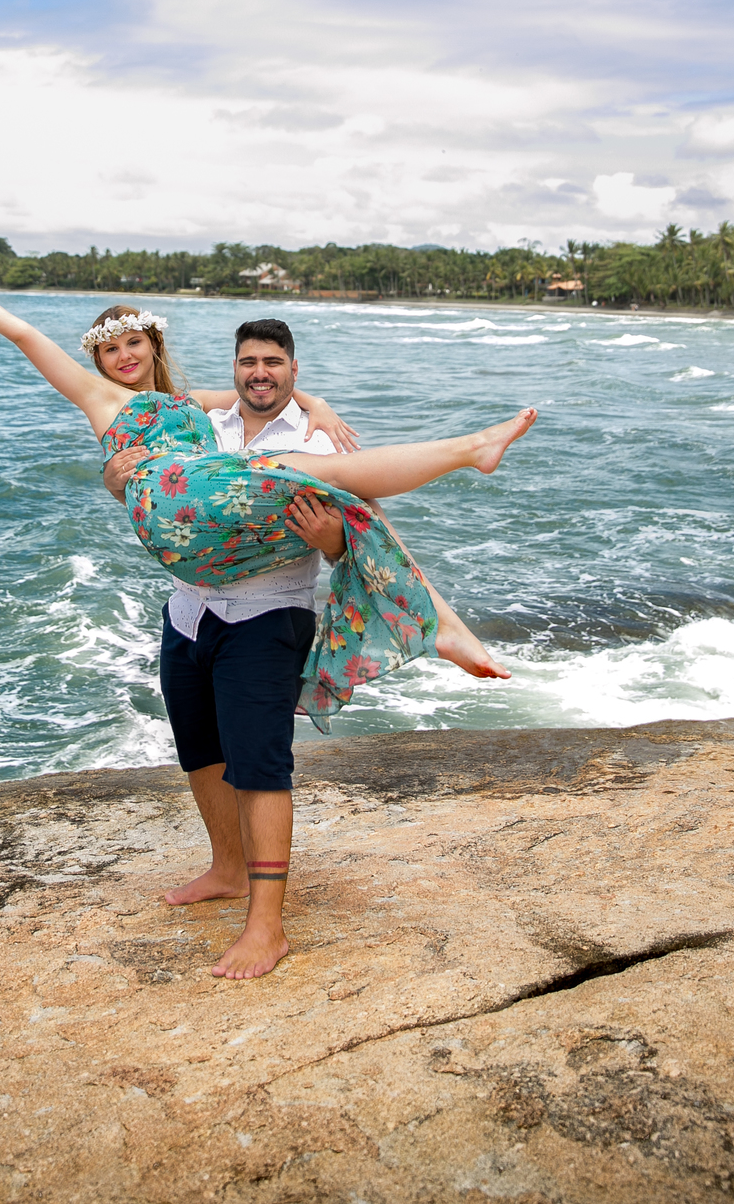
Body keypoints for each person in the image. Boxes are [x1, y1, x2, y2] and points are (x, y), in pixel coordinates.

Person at [0, 277, 536, 974]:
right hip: (188, 566)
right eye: (110, 350)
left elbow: (282, 408)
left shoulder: (196, 404)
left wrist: (316, 404)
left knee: (332, 492)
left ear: (154, 343)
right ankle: (229, 867)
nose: (123, 357)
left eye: (134, 342)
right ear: (97, 362)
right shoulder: (104, 400)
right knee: (202, 753)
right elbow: (23, 336)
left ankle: (469, 458)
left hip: (252, 584)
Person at [100, 315, 511, 981]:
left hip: (267, 616)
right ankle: (227, 870)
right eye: (248, 362)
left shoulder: (317, 437)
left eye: (273, 363)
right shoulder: (209, 420)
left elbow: (361, 532)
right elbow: (151, 475)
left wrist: (328, 542)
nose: (259, 373)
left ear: (294, 371)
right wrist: (117, 481)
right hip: (189, 613)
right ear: (233, 369)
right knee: (200, 753)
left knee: (260, 768)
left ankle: (267, 926)